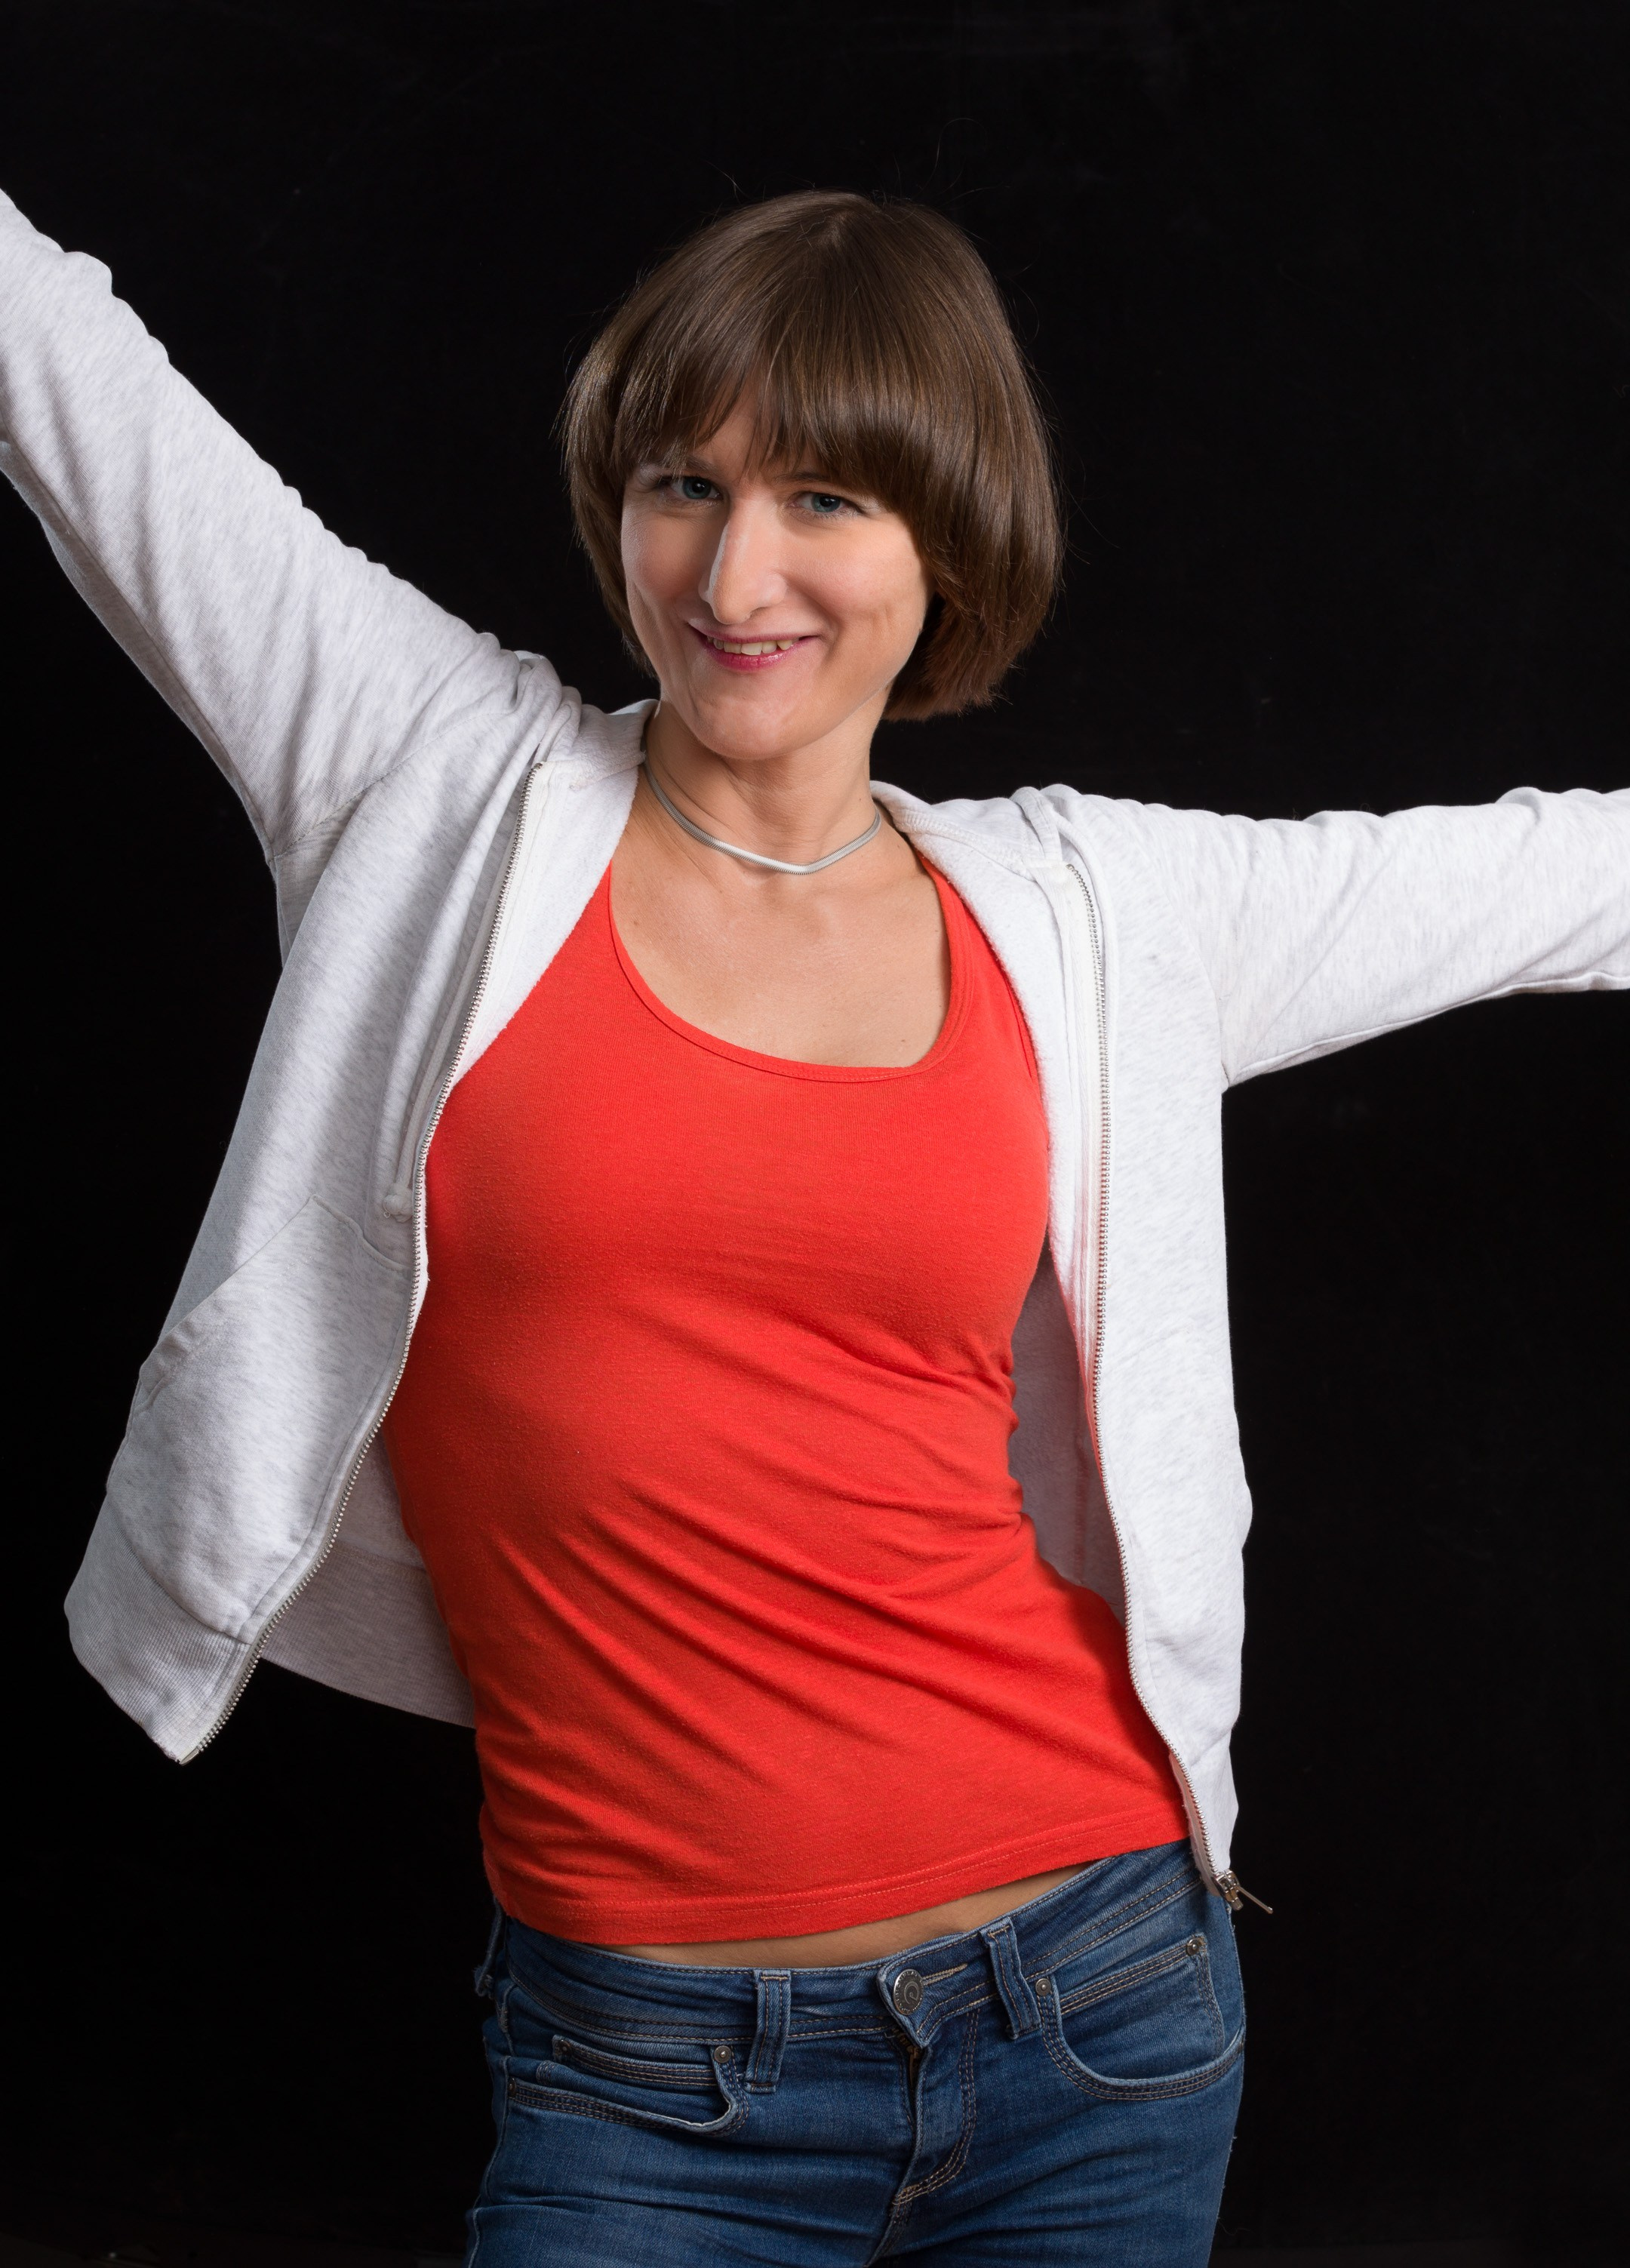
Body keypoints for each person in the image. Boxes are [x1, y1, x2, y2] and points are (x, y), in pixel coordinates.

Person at [2, 182, 1624, 2266]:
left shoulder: (1094, 914)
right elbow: (67, 379)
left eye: (830, 498)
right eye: (685, 482)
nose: (733, 570)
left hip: (1097, 2013)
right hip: (639, 2072)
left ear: (943, 548)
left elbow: (1562, 878)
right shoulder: (432, 778)